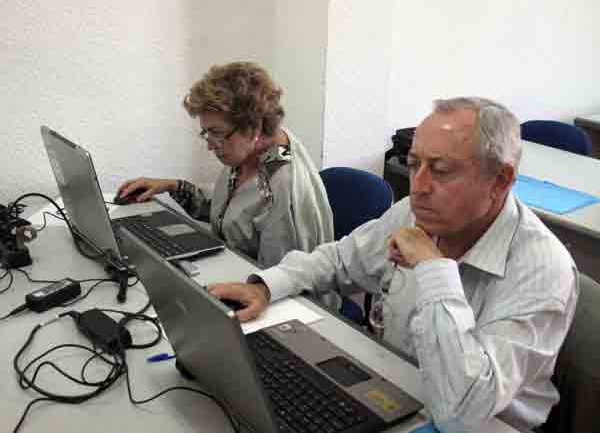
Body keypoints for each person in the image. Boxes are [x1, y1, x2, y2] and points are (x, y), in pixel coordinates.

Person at [208, 97, 579, 432]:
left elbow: (462, 410)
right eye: (414, 164)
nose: (418, 186)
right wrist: (265, 286)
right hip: (401, 391)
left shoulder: (543, 269)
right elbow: (339, 259)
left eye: (441, 170)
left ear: (499, 180)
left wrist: (434, 269)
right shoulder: (418, 212)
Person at [117, 62, 334, 268]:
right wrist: (174, 186)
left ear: (253, 126)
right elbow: (232, 214)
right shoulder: (251, 149)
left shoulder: (283, 188)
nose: (210, 145)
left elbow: (279, 282)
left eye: (216, 133)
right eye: (206, 133)